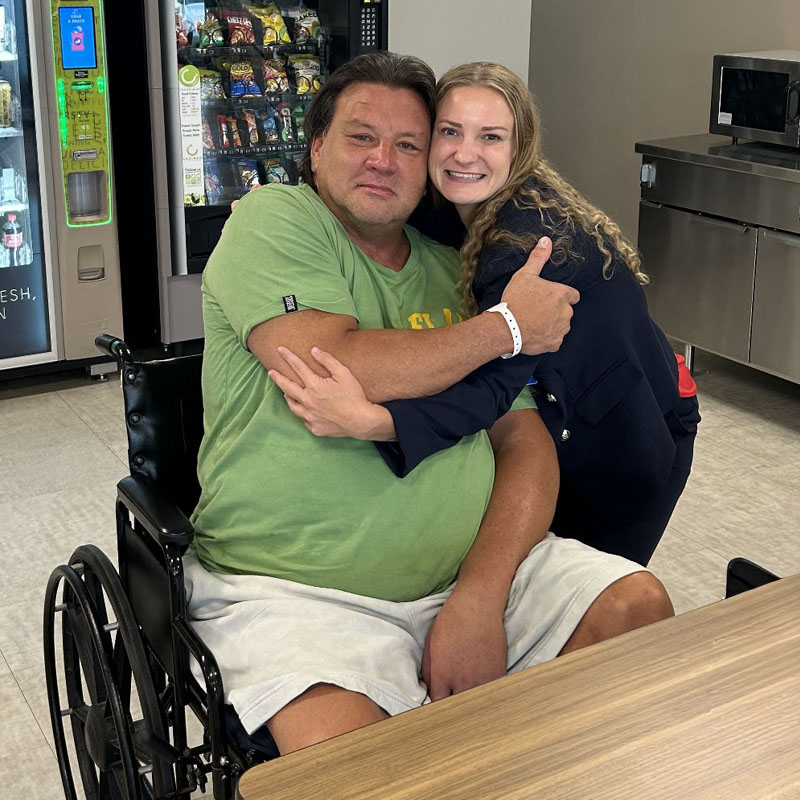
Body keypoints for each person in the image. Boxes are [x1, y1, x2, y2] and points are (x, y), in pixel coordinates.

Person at [186, 51, 674, 757]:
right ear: (316, 147)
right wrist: (503, 328)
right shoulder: (273, 219)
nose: (384, 159)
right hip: (298, 592)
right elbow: (336, 357)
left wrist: (480, 593)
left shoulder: (460, 268)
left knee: (638, 606)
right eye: (361, 136)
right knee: (357, 766)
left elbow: (524, 439)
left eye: (409, 144)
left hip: (474, 570)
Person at [270, 62, 700, 567]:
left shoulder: (531, 250)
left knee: (588, 605)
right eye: (449, 132)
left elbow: (492, 390)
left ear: (519, 151)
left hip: (628, 433)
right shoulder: (459, 200)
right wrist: (289, 205)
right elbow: (370, 191)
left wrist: (379, 422)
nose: (464, 153)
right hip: (573, 399)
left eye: (490, 137)